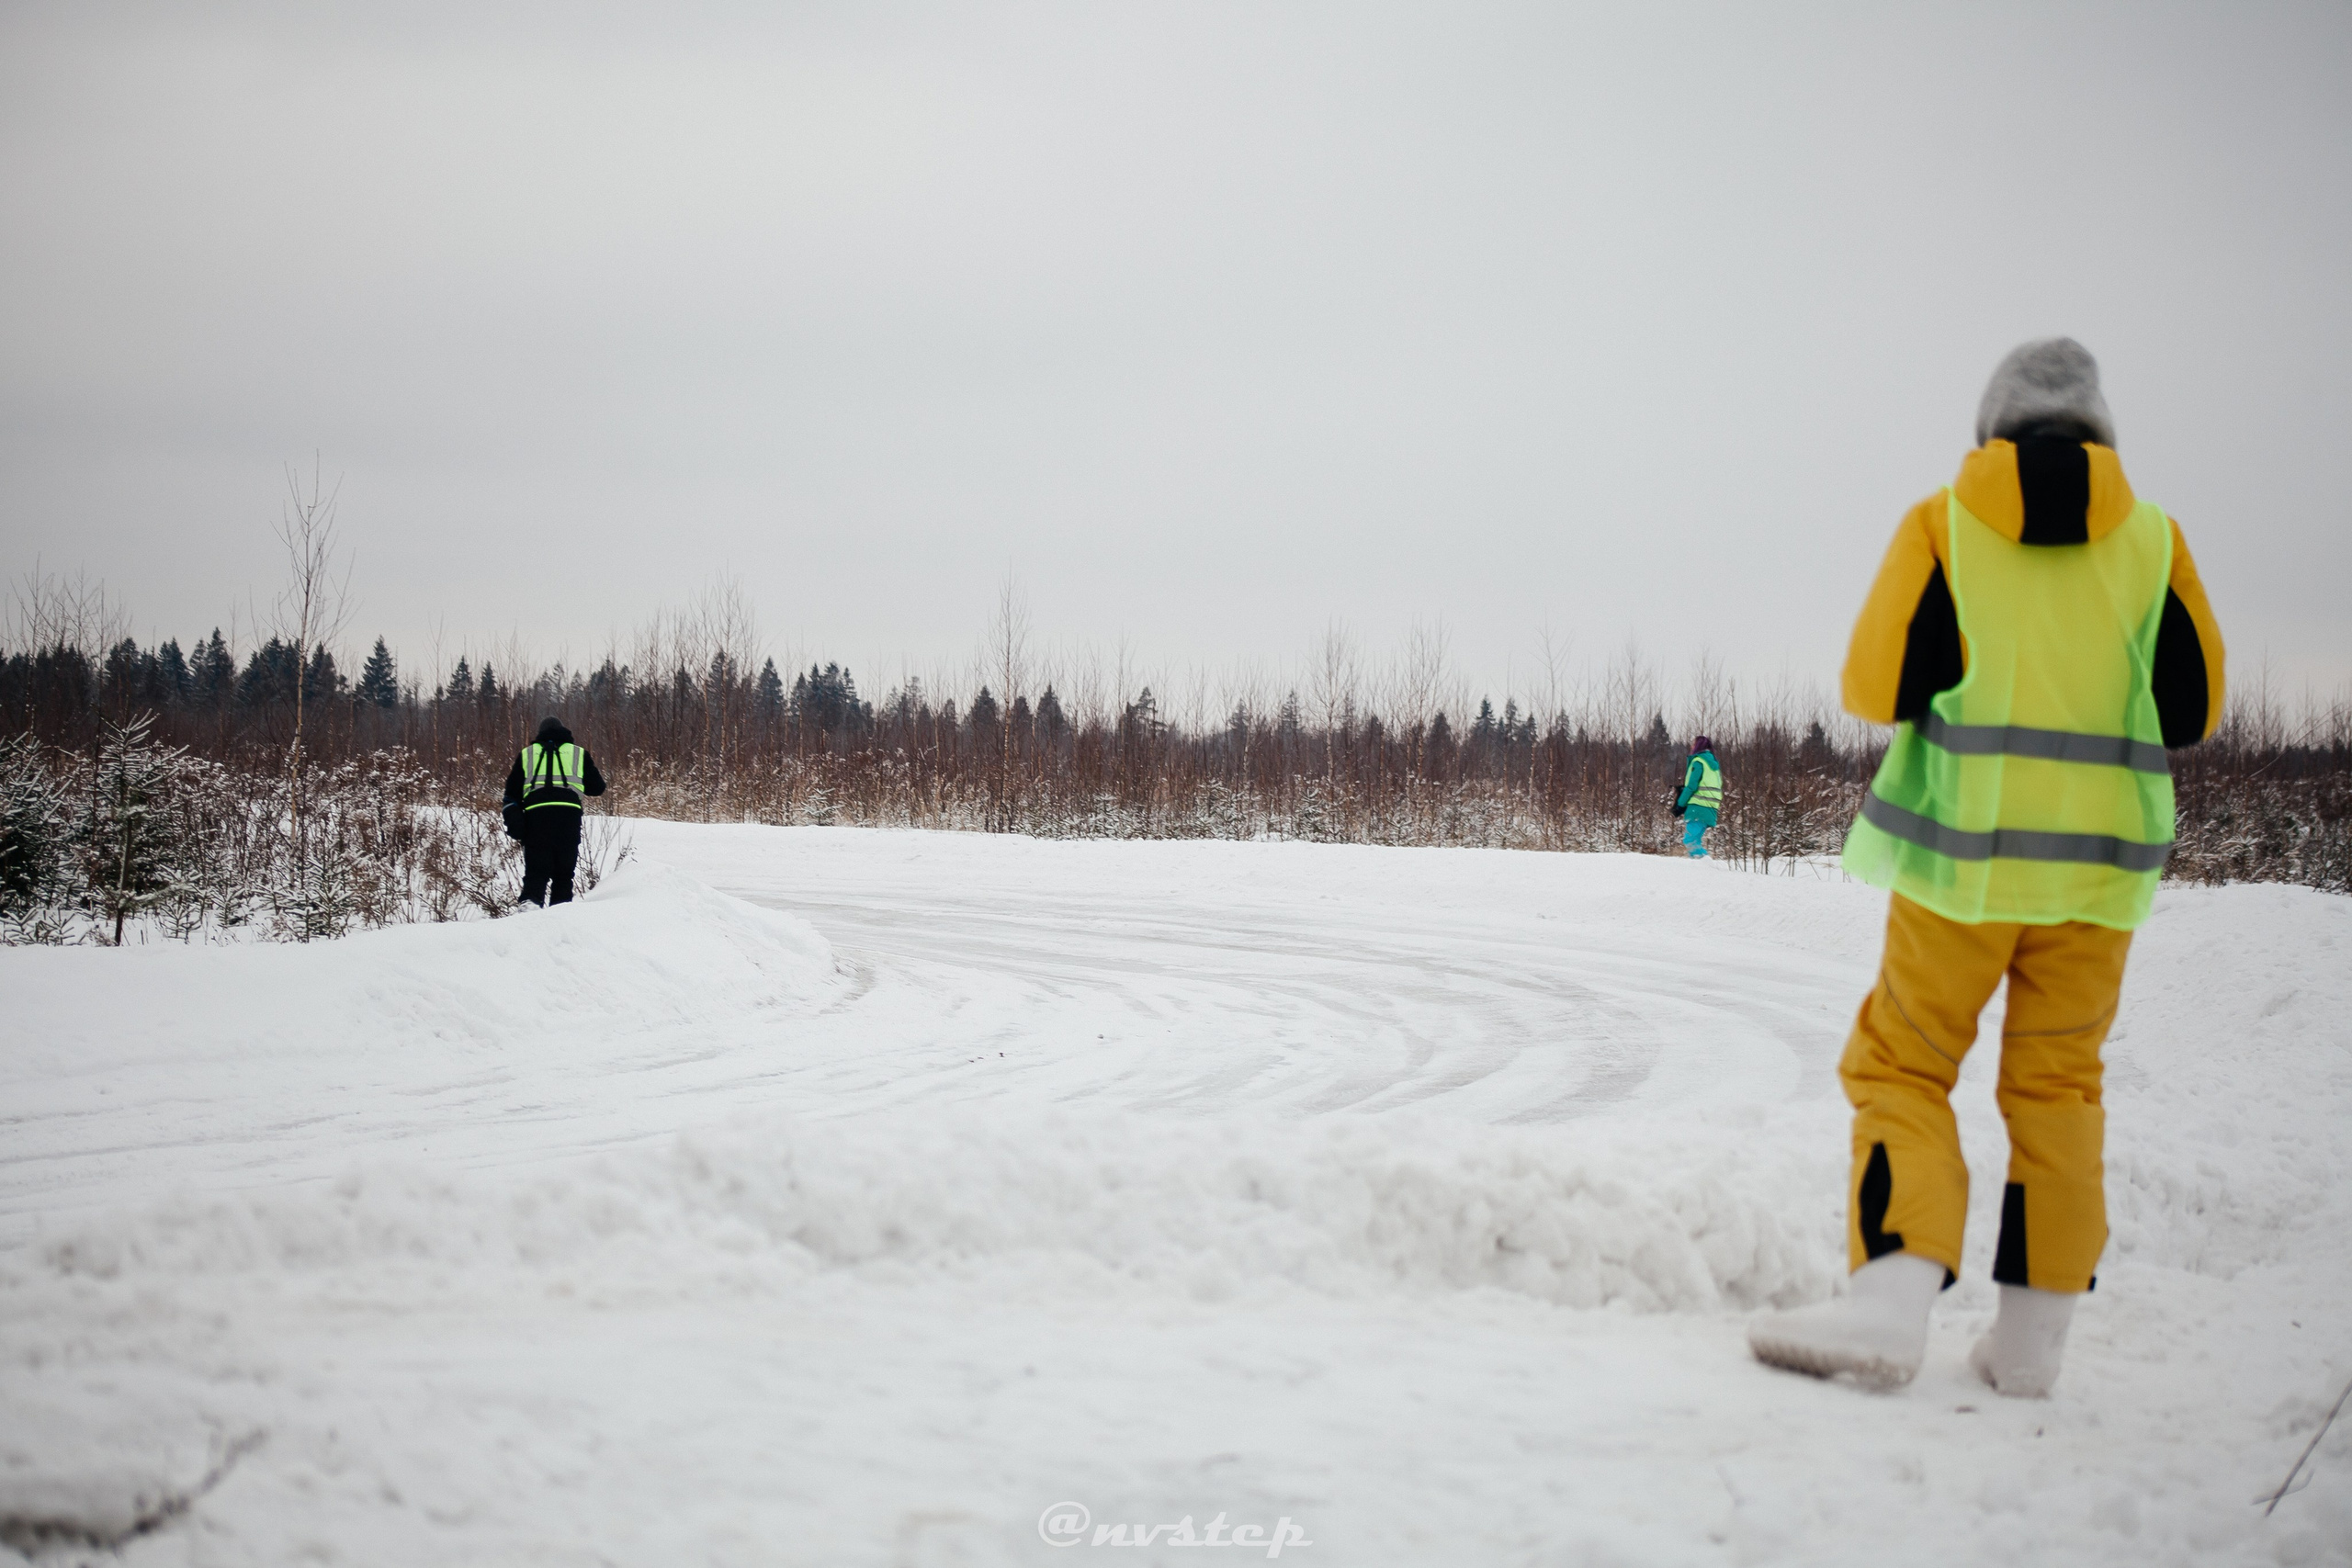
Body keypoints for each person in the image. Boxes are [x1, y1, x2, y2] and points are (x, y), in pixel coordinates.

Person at [1747, 339, 2224, 1395]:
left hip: (1958, 870)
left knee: (1902, 1069)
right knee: (2060, 1085)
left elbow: (1874, 685)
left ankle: (1887, 1306)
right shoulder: (2153, 544)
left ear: (1990, 428)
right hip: (2097, 884)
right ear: (2100, 432)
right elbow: (2191, 711)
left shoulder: (1945, 525)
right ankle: (2029, 1349)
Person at [503, 716, 608, 907]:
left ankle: (527, 916)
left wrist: (514, 819)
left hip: (536, 820)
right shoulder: (578, 754)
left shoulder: (527, 754)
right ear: (564, 731)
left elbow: (511, 794)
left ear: (540, 734)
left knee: (536, 874)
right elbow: (598, 787)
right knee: (563, 876)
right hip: (568, 820)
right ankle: (560, 919)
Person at [1671, 736, 1723, 857]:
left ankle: (1705, 865)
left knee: (1690, 841)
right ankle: (1700, 866)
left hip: (1698, 806)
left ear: (1699, 746)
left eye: (1693, 744)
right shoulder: (1713, 764)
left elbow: (1692, 786)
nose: (1691, 747)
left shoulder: (1698, 761)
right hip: (1711, 807)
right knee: (1695, 840)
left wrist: (1680, 804)